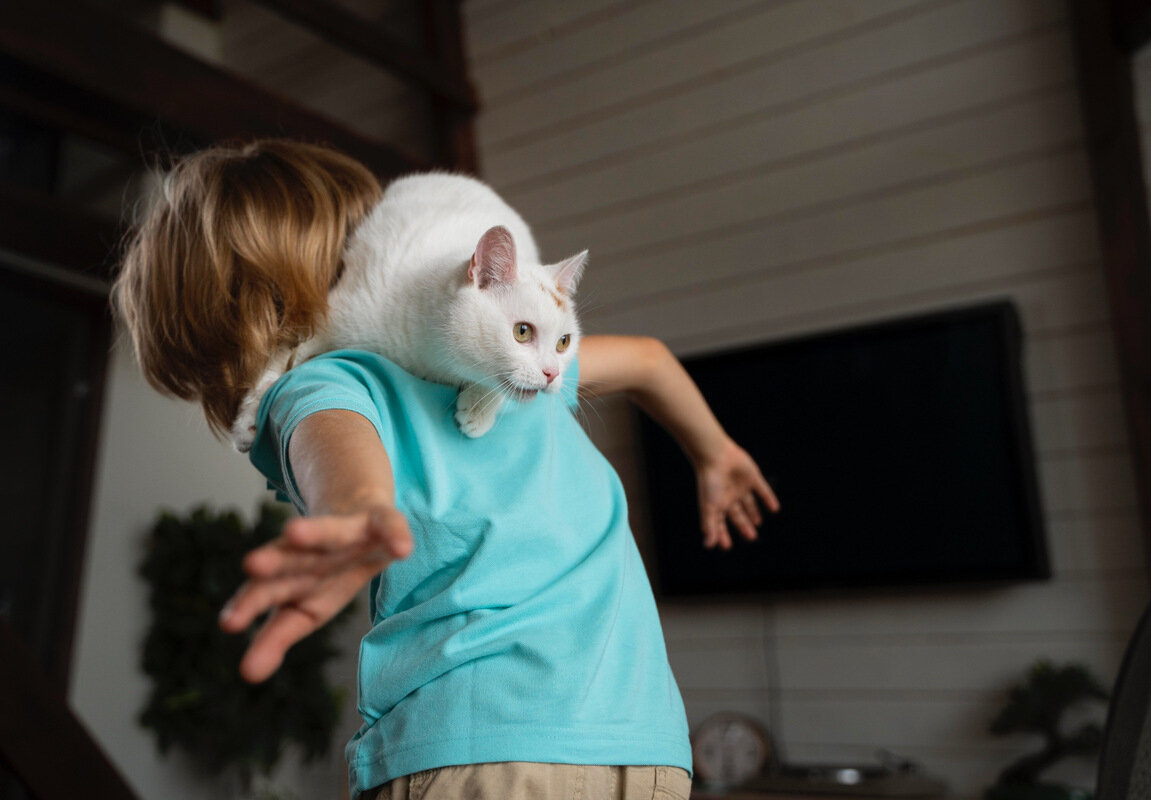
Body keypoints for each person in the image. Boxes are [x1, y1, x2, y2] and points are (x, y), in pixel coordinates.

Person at [114, 139, 779, 800]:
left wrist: (715, 454)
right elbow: (342, 458)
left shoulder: (470, 364)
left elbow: (648, 361)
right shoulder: (373, 380)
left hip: (556, 747)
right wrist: (358, 512)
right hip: (580, 748)